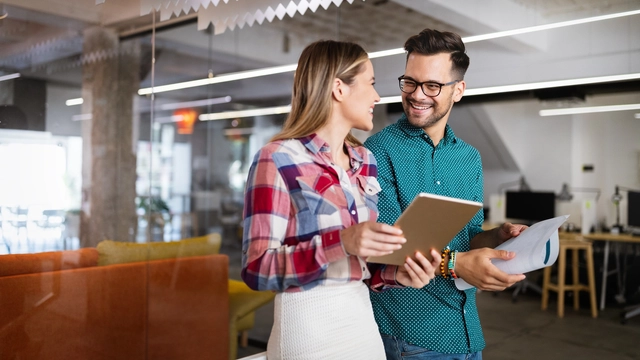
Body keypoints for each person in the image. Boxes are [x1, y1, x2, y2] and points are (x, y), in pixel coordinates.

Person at [241, 40, 441, 360]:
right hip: (306, 323)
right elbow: (256, 268)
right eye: (371, 84)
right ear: (339, 88)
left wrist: (397, 274)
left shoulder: (365, 160)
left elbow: (362, 263)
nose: (377, 96)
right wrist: (342, 241)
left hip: (361, 320)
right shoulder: (277, 159)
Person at [364, 29, 527, 360]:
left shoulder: (469, 158)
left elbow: (467, 240)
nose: (416, 94)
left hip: (466, 331)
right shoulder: (378, 151)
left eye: (432, 86)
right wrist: (457, 263)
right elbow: (389, 250)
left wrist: (498, 237)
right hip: (409, 332)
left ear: (458, 90)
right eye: (409, 82)